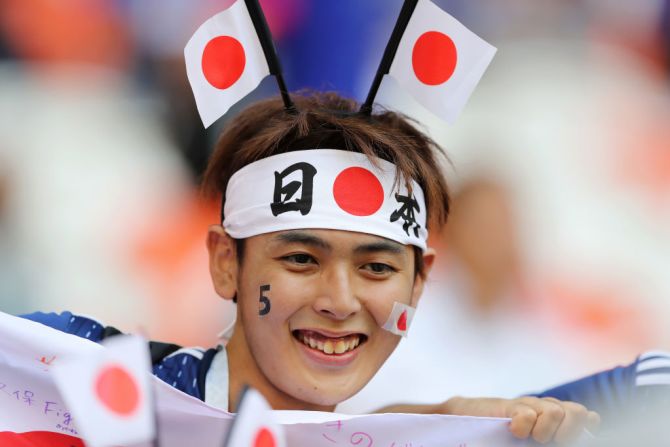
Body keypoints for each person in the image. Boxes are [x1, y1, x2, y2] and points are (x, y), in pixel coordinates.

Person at [24, 92, 604, 445]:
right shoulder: (72, 371)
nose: (340, 299)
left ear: (420, 283)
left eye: (377, 268)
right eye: (302, 258)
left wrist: (448, 428)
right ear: (227, 263)